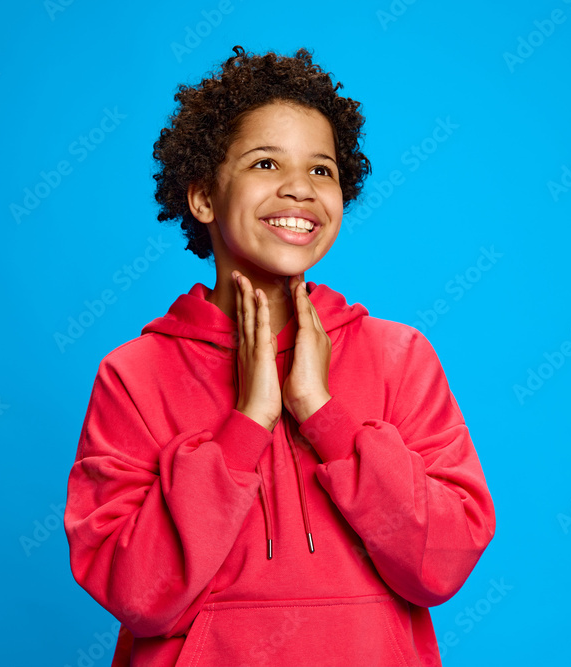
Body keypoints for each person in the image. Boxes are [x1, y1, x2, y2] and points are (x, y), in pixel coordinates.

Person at [64, 45, 496, 667]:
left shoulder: (400, 356)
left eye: (322, 171)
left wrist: (323, 414)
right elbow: (137, 593)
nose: (299, 188)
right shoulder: (134, 375)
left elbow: (442, 565)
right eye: (266, 163)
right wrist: (245, 425)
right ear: (205, 198)